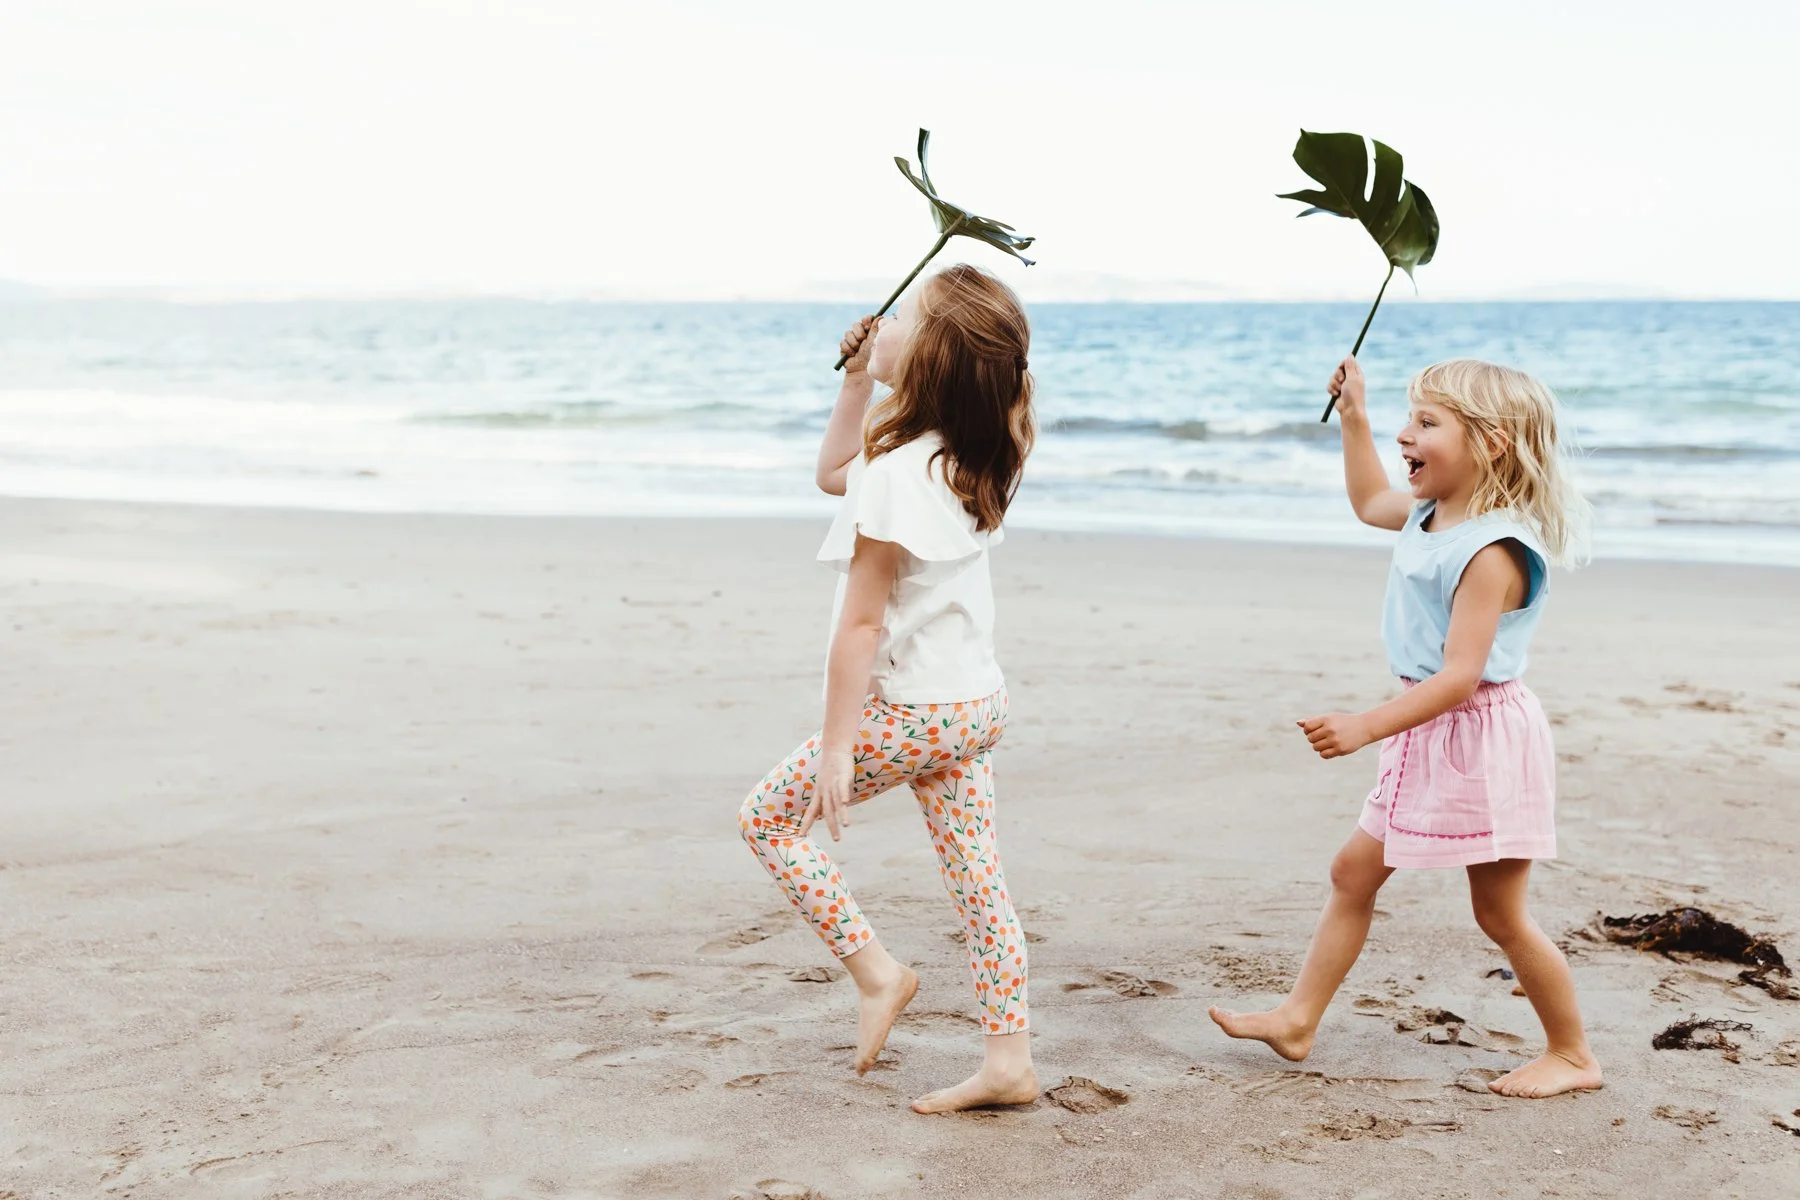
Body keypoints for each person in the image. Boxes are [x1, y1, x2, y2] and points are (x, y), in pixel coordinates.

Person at [1209, 355, 1604, 1099]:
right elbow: (1367, 502)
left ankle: (1574, 1053)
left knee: (1500, 912)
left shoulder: (1492, 550)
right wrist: (1351, 417)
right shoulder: (1432, 513)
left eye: (1426, 423)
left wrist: (1365, 726)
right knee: (1352, 873)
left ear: (1490, 443)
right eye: (1406, 419)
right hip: (1426, 728)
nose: (1404, 435)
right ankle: (1297, 1019)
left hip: (1479, 735)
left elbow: (1461, 678)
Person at [738, 264, 1039, 1114]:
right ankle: (1008, 1061)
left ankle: (878, 974)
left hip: (913, 713)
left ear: (934, 360)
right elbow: (837, 468)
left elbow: (862, 627)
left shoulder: (900, 472)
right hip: (976, 705)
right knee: (981, 885)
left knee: (767, 820)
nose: (889, 318)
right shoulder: (974, 450)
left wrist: (839, 744)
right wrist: (860, 377)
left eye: (905, 315)